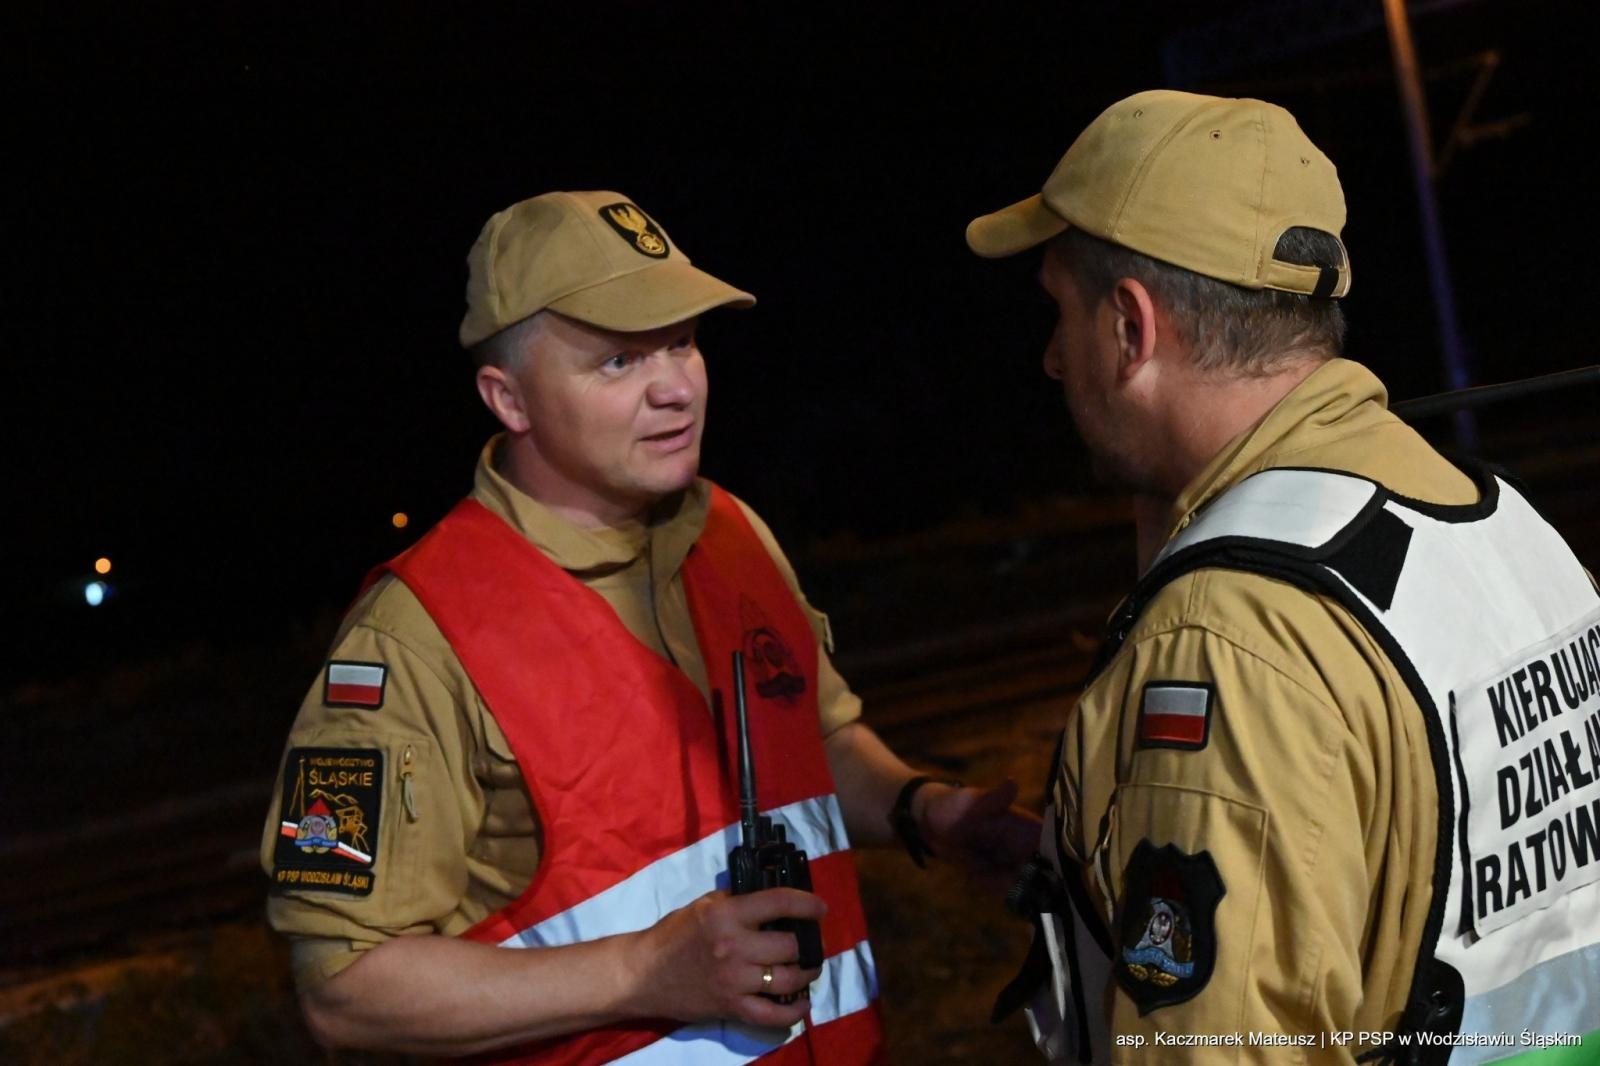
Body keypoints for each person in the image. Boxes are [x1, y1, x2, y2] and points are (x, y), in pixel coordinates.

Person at [260, 189, 1039, 1064]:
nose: (676, 388)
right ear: (507, 399)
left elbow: (814, 747)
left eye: (682, 342)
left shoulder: (733, 535)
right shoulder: (412, 641)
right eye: (620, 361)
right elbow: (344, 990)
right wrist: (641, 970)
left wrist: (924, 809)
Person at [967, 91, 1600, 1062]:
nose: (1054, 358)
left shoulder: (1228, 642)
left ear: (1130, 328)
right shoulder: (1493, 523)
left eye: (1062, 310)